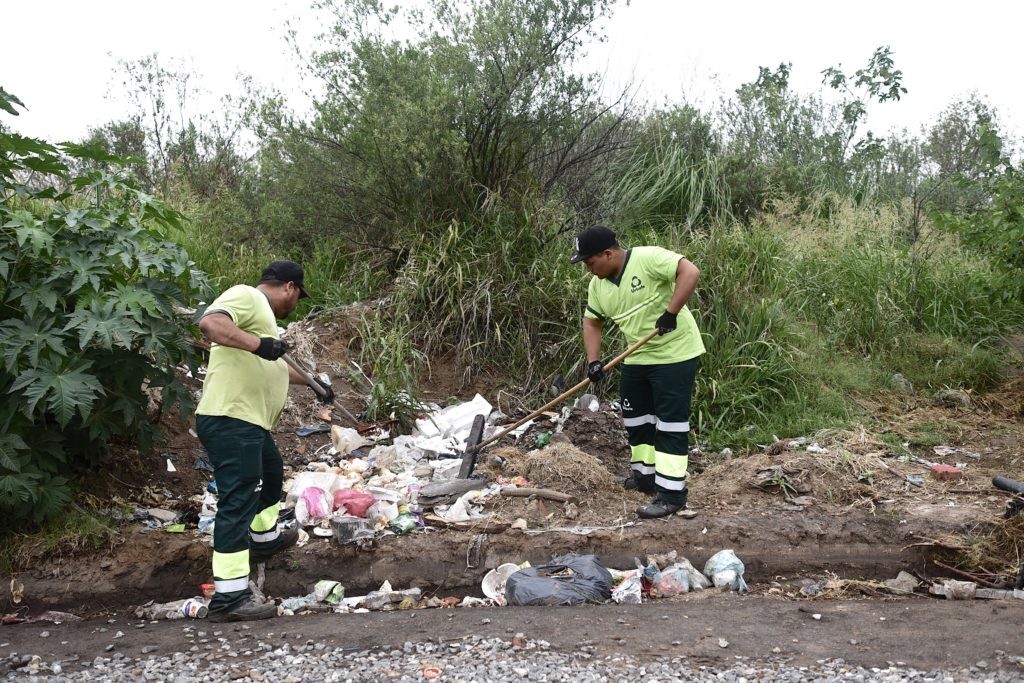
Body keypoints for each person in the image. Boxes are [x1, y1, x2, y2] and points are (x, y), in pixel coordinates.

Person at [195, 260, 334, 621]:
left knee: (271, 477)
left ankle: (263, 539)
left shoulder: (264, 322)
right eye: (297, 297)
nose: (295, 303)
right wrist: (258, 344)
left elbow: (274, 363)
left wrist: (318, 386)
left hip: (249, 423)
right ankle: (229, 597)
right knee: (239, 498)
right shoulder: (246, 296)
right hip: (230, 419)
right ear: (289, 287)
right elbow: (211, 324)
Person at [570, 226, 705, 519]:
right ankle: (645, 477)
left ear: (608, 253)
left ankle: (671, 494)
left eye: (590, 263)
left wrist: (670, 313)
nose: (588, 270)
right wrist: (594, 361)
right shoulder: (599, 286)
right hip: (637, 356)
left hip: (675, 354)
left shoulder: (648, 258)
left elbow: (690, 272)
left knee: (670, 424)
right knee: (637, 419)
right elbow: (592, 322)